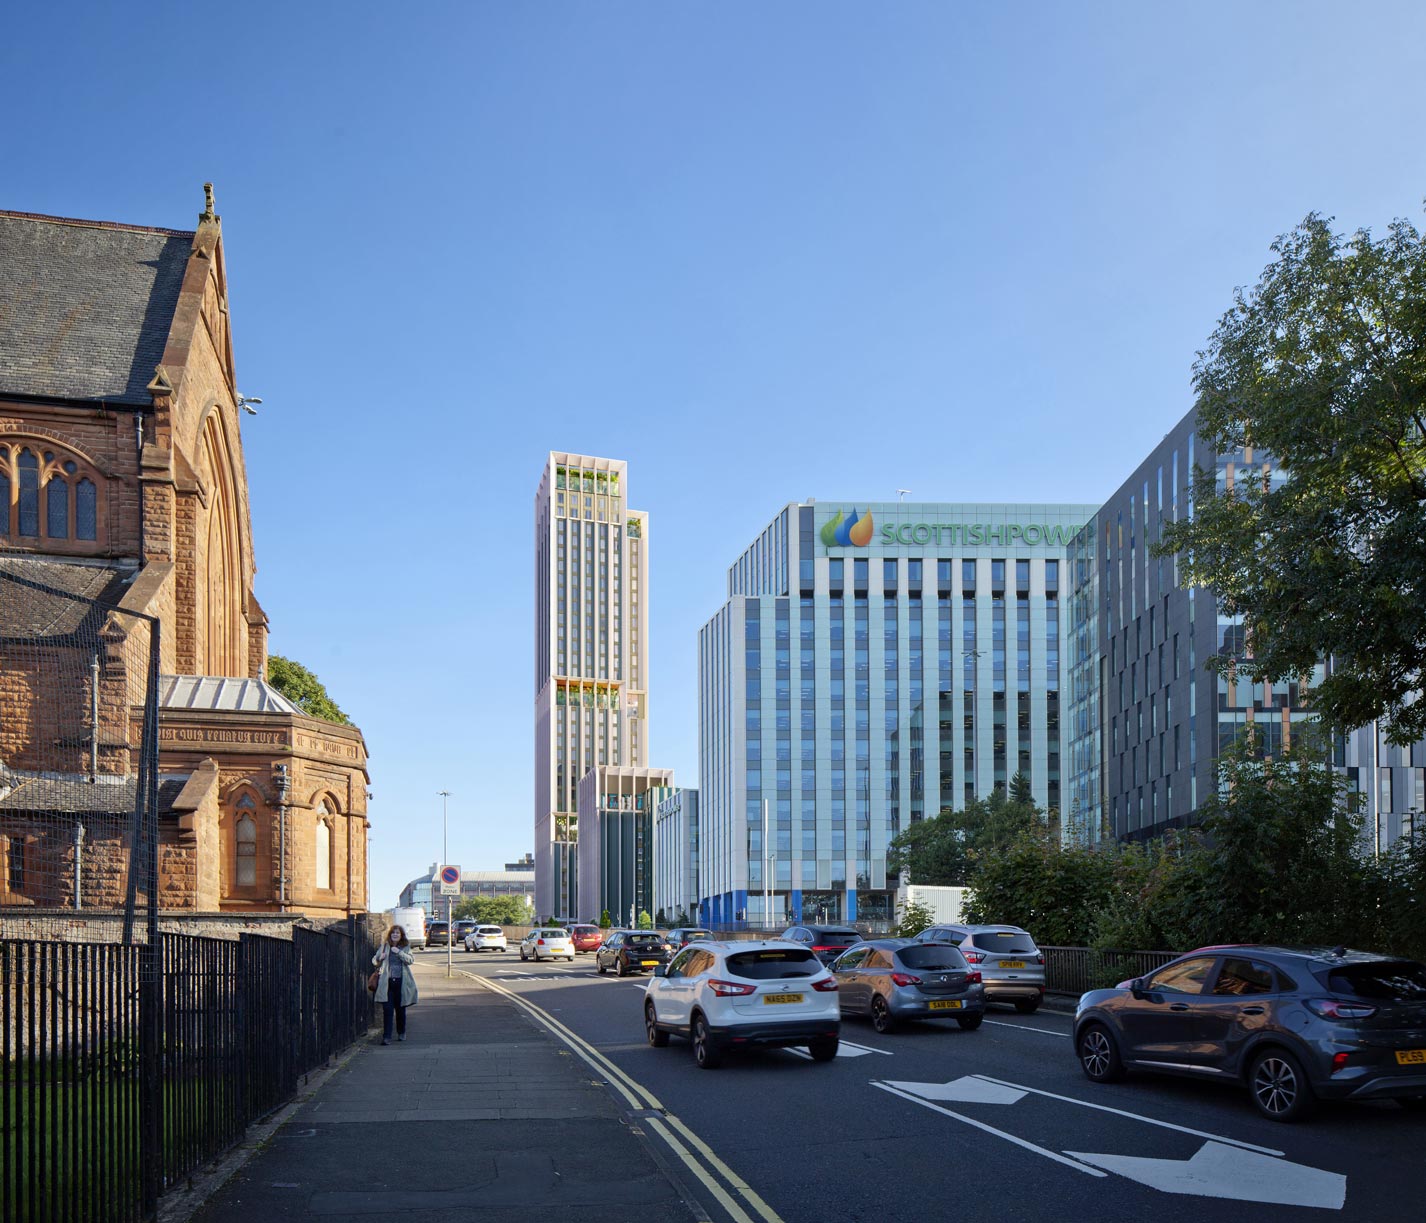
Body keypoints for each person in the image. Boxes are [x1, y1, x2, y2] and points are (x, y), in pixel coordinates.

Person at [373, 924, 418, 1045]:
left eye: (397, 933)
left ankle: (401, 1032)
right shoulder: (384, 946)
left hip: (401, 983)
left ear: (401, 935)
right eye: (393, 933)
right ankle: (386, 1037)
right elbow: (374, 960)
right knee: (387, 1010)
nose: (395, 935)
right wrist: (379, 957)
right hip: (387, 984)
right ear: (390, 935)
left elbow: (410, 960)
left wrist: (399, 952)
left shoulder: (405, 947)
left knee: (400, 1010)